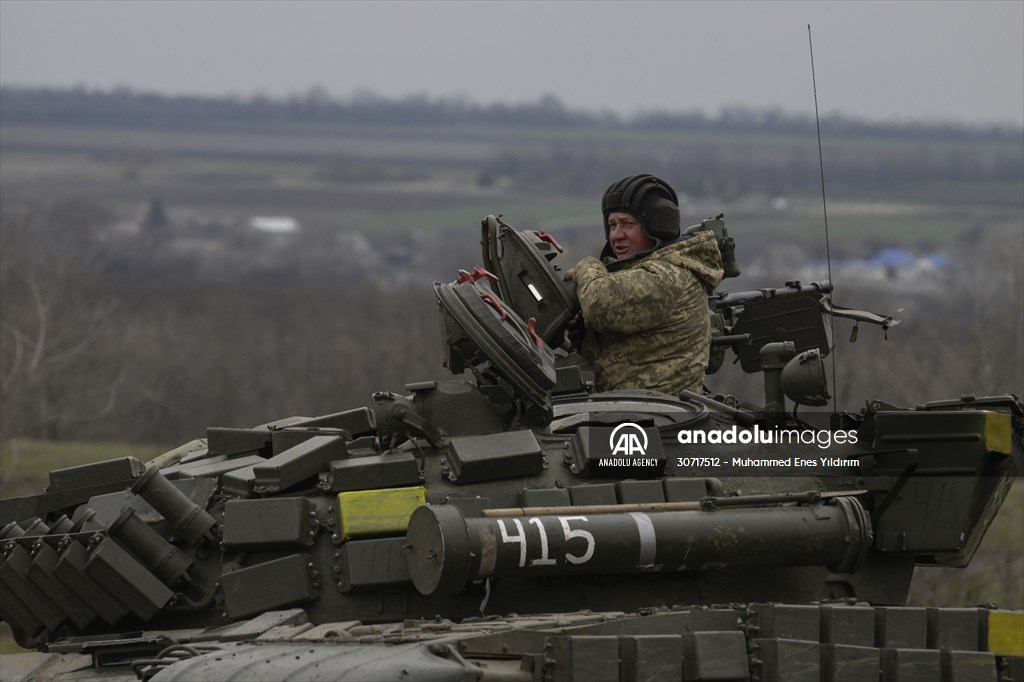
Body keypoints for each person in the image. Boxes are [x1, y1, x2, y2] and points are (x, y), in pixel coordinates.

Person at [564, 174, 724, 395]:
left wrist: (585, 267)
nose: (616, 236)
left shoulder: (668, 275)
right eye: (612, 225)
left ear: (657, 228)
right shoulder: (641, 272)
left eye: (627, 224)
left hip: (655, 417)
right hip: (630, 408)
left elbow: (599, 304)